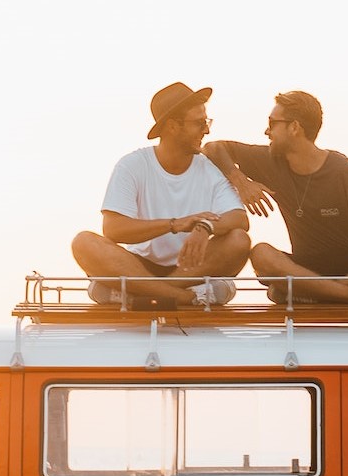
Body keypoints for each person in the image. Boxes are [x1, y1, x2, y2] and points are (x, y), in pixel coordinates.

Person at [204, 91, 348, 305]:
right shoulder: (270, 160)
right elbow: (213, 147)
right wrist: (241, 182)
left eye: (272, 123)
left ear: (294, 127)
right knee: (261, 254)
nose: (266, 131)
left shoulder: (347, 171)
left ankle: (321, 294)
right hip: (306, 270)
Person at [71, 82, 251, 308]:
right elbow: (113, 229)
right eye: (199, 123)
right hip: (138, 266)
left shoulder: (210, 169)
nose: (206, 130)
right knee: (83, 242)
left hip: (192, 268)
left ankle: (144, 293)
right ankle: (185, 296)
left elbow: (239, 219)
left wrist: (205, 226)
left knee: (238, 240)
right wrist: (175, 224)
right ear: (173, 126)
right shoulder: (132, 165)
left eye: (207, 122)